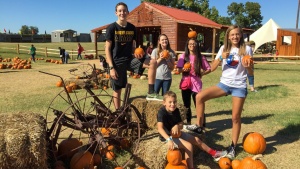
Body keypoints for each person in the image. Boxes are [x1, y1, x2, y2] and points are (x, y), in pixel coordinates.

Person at [185, 25, 254, 160]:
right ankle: (199, 126)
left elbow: (251, 72)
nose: (235, 37)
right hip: (224, 84)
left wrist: (248, 67)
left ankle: (233, 147)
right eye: (232, 35)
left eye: (237, 34)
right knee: (199, 97)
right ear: (228, 36)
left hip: (239, 86)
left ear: (241, 35)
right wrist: (221, 58)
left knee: (235, 117)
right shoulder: (223, 48)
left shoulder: (247, 49)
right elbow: (213, 67)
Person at [105, 2, 158, 109]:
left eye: (124, 10)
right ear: (116, 13)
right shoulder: (112, 28)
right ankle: (118, 112)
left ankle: (151, 91)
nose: (122, 13)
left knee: (152, 62)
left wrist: (137, 53)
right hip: (116, 62)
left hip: (129, 59)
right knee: (118, 90)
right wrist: (111, 67)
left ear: (128, 12)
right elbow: (107, 49)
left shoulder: (132, 28)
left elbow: (133, 46)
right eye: (120, 11)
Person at [157, 91, 227, 169]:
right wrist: (169, 140)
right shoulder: (161, 112)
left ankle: (214, 153)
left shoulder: (176, 110)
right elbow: (160, 128)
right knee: (189, 146)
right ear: (164, 103)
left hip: (177, 133)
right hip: (167, 137)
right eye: (170, 102)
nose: (172, 104)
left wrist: (177, 126)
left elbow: (181, 124)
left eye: (174, 102)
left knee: (197, 140)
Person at [177, 38, 211, 126]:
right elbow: (178, 69)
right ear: (187, 46)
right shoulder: (183, 56)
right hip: (186, 84)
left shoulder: (200, 57)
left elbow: (208, 68)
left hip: (196, 85)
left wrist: (202, 72)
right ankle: (188, 123)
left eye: (194, 44)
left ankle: (202, 124)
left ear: (196, 45)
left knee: (199, 105)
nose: (192, 45)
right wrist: (183, 69)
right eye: (190, 44)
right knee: (186, 105)